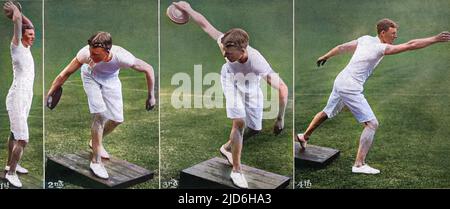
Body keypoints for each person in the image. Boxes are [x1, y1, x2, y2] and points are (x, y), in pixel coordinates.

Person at [297, 18, 450, 174]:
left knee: (327, 112)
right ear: (383, 33)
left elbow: (342, 47)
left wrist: (325, 56)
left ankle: (304, 136)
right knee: (372, 124)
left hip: (341, 80)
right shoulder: (379, 48)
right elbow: (411, 45)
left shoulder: (365, 39)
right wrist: (435, 39)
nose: (395, 37)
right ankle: (359, 165)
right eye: (393, 34)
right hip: (350, 87)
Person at [173, 1, 288, 188]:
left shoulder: (258, 62)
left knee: (255, 129)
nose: (225, 56)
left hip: (250, 84)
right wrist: (188, 9)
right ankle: (236, 170)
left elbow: (282, 88)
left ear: (243, 50)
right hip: (230, 80)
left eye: (229, 53)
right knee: (239, 121)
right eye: (224, 51)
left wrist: (280, 119)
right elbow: (205, 25)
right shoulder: (225, 45)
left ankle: (226, 148)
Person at [46, 31, 156, 179]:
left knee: (117, 119)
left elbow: (148, 69)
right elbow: (64, 74)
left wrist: (151, 96)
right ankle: (96, 162)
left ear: (107, 51)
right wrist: (50, 92)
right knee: (101, 114)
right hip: (90, 77)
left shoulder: (123, 57)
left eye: (96, 54)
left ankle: (94, 141)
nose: (92, 56)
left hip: (111, 79)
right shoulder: (85, 54)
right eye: (91, 52)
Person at [3, 1, 36, 188]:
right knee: (23, 138)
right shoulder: (16, 45)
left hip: (26, 96)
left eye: (33, 35)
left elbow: (26, 24)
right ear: (21, 36)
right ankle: (11, 173)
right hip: (17, 96)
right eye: (29, 35)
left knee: (15, 134)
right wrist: (16, 12)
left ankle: (9, 164)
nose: (33, 37)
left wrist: (21, 13)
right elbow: (17, 23)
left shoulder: (27, 46)